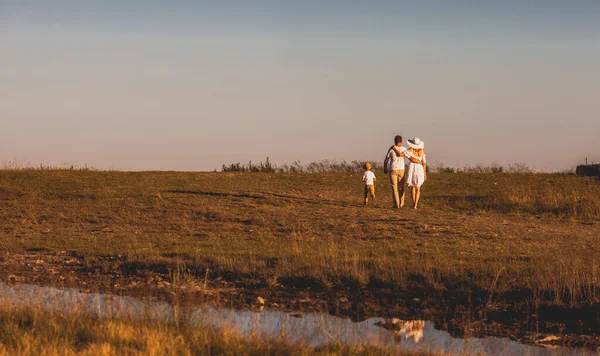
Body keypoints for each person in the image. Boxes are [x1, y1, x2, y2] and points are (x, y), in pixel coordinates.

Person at [384, 135, 407, 208]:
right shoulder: (404, 149)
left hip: (393, 169)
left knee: (394, 187)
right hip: (401, 169)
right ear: (401, 141)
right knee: (401, 186)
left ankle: (396, 204)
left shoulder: (391, 149)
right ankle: (402, 203)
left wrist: (385, 168)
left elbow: (386, 160)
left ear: (394, 141)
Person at [406, 137, 427, 209]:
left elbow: (410, 158)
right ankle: (416, 203)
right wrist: (424, 173)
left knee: (413, 187)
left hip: (413, 167)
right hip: (419, 168)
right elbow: (424, 163)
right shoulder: (422, 152)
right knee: (418, 187)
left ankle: (414, 203)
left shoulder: (409, 151)